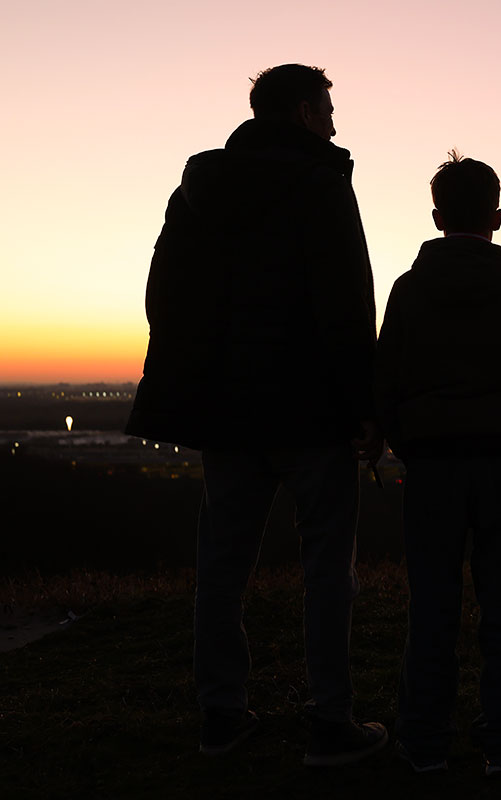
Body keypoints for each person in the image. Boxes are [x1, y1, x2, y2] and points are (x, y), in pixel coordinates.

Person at [126, 64, 388, 766]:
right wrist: (364, 406)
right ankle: (330, 722)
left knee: (221, 566)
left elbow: (163, 291)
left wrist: (196, 376)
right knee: (327, 567)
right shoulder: (321, 182)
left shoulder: (202, 185)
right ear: (303, 112)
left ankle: (220, 717)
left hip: (228, 410)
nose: (334, 124)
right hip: (312, 410)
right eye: (327, 110)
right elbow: (345, 301)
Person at [374, 151, 501, 777]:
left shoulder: (409, 290)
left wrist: (406, 441)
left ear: (437, 217)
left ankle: (424, 743)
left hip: (433, 465)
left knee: (432, 605)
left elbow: (386, 378)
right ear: (498, 217)